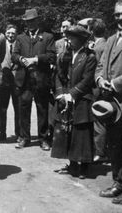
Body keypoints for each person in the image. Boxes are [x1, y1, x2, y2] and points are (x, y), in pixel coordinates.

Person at [95, 0, 122, 204]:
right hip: (111, 104)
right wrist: (100, 79)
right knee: (114, 146)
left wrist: (116, 83)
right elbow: (100, 66)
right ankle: (118, 182)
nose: (120, 18)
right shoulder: (111, 39)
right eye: (117, 14)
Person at [52, 26, 96, 179]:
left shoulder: (90, 56)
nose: (69, 40)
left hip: (82, 99)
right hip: (65, 98)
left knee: (81, 132)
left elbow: (87, 80)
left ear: (81, 39)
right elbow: (58, 75)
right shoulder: (65, 55)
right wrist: (60, 93)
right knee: (67, 131)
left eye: (73, 37)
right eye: (68, 37)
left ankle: (84, 166)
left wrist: (72, 94)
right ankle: (72, 164)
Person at [12, 8, 56, 150]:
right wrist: (21, 59)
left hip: (41, 79)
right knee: (23, 109)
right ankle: (25, 137)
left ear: (38, 21)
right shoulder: (20, 38)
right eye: (27, 22)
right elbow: (14, 55)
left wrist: (36, 59)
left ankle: (43, 139)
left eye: (32, 21)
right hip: (24, 80)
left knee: (42, 109)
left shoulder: (48, 37)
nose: (30, 24)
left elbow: (51, 56)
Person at [87, 18, 109, 162]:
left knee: (98, 120)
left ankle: (99, 152)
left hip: (96, 87)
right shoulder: (107, 43)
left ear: (91, 31)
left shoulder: (96, 48)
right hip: (106, 86)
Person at [0, 24, 20, 141]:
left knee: (18, 107)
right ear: (5, 33)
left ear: (16, 34)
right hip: (4, 80)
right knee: (2, 108)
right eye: (8, 33)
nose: (10, 35)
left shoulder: (19, 44)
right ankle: (2, 132)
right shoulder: (2, 44)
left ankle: (18, 133)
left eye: (13, 33)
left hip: (17, 80)